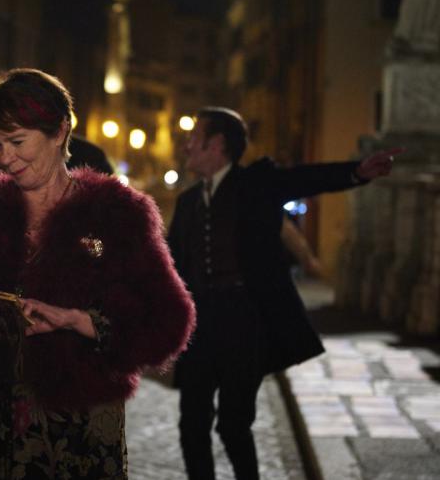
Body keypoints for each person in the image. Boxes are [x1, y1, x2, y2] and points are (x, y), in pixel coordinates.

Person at [0, 68, 195, 479]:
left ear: (59, 131)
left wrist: (82, 322)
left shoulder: (116, 215)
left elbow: (168, 320)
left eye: (17, 141)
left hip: (79, 432)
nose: (5, 158)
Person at [167, 106, 401, 480]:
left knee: (233, 424)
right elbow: (172, 264)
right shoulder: (187, 201)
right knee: (191, 422)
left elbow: (305, 179)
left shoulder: (256, 184)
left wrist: (356, 172)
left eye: (194, 138)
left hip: (244, 322)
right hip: (200, 326)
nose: (186, 146)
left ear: (218, 145)